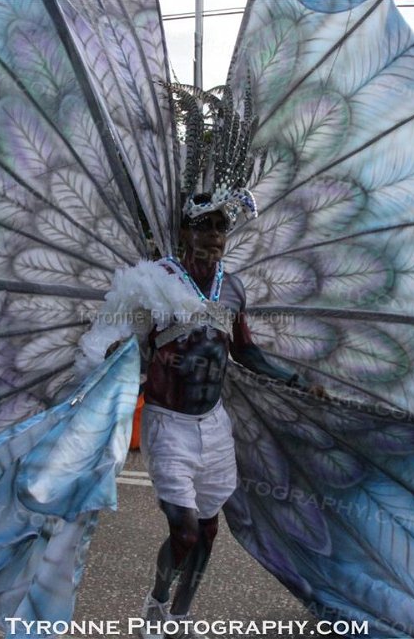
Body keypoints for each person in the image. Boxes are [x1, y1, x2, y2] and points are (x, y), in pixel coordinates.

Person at [101, 198, 325, 639]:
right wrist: (116, 354)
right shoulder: (156, 281)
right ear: (186, 232)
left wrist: (297, 381)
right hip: (168, 423)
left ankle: (180, 619)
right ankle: (156, 605)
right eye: (204, 227)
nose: (215, 236)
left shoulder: (232, 288)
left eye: (221, 228)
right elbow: (131, 344)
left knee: (207, 531)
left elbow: (246, 352)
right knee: (184, 532)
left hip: (214, 425)